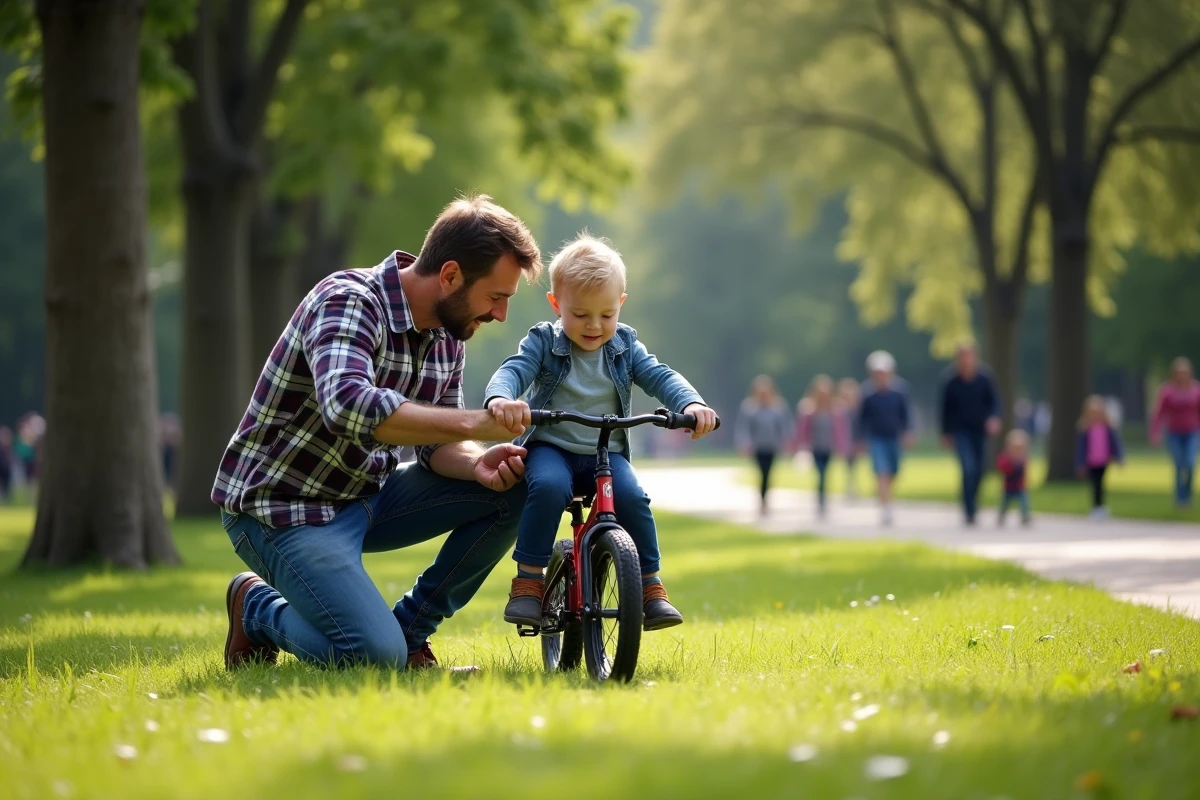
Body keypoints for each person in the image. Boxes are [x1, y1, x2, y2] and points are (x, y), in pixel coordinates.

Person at [213, 194, 542, 672]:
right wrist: (477, 421)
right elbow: (347, 405)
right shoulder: (348, 300)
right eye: (496, 297)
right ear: (450, 276)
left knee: (514, 489)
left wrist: (476, 462)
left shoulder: (449, 335)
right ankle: (257, 609)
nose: (500, 315)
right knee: (369, 656)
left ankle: (410, 634)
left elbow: (438, 442)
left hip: (367, 494)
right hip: (282, 508)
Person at [485, 234, 717, 630]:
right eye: (580, 315)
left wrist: (691, 404)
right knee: (547, 487)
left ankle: (649, 585)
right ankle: (528, 580)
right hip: (552, 448)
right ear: (557, 305)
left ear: (620, 305)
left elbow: (659, 376)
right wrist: (502, 398)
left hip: (605, 454)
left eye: (606, 315)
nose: (594, 326)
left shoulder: (625, 345)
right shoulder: (544, 341)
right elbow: (514, 369)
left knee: (633, 498)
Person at [939, 343, 1002, 526]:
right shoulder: (950, 381)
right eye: (962, 356)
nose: (966, 360)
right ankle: (969, 510)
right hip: (960, 432)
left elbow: (994, 403)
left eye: (969, 356)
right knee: (968, 468)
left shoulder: (985, 379)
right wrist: (945, 433)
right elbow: (945, 410)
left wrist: (994, 419)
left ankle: (972, 500)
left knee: (980, 470)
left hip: (980, 431)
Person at [858, 350, 912, 526]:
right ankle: (886, 506)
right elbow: (863, 418)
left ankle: (885, 495)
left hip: (894, 437)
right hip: (876, 438)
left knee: (893, 471)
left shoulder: (900, 391)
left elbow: (905, 414)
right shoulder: (868, 393)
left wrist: (907, 432)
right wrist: (860, 439)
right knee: (882, 470)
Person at [793, 374, 850, 517]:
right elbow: (802, 431)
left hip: (829, 447)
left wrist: (843, 447)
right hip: (815, 447)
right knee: (821, 473)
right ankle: (821, 499)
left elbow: (841, 432)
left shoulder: (836, 410)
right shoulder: (808, 409)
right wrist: (800, 446)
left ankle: (822, 498)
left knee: (825, 473)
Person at [735, 375, 793, 515]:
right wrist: (744, 443)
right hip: (757, 447)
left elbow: (784, 427)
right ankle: (762, 498)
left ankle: (765, 498)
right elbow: (744, 428)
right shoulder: (749, 408)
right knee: (761, 472)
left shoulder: (778, 407)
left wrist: (787, 441)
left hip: (772, 446)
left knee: (768, 473)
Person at [1150, 357, 1200, 509]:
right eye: (1179, 372)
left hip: (1193, 432)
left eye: (1184, 372)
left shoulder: (1196, 390)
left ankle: (1187, 495)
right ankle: (1180, 499)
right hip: (1174, 433)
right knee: (1179, 464)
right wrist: (1155, 432)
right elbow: (1159, 413)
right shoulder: (1167, 391)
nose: (1181, 375)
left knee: (1190, 463)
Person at [1075, 395, 1124, 520]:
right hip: (1091, 461)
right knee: (1095, 484)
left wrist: (1119, 457)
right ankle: (1096, 507)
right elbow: (1081, 448)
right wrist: (1080, 463)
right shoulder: (1085, 429)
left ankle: (1101, 506)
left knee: (1101, 484)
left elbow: (1114, 444)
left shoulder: (1107, 428)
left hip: (1103, 460)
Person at [996, 429, 1032, 526]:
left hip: (1020, 486)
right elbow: (1001, 467)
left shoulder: (1024, 458)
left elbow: (1025, 471)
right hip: (1008, 486)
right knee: (1004, 504)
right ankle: (1001, 516)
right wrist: (1011, 462)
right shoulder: (1006, 457)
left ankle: (1025, 517)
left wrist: (1026, 481)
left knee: (1024, 502)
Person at [837, 378, 862, 498]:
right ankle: (849, 488)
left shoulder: (858, 409)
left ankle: (853, 488)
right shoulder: (840, 409)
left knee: (854, 465)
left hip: (855, 440)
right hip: (845, 442)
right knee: (848, 466)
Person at [0, 426, 13, 504]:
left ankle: (6, 500)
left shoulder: (8, 446)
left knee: (7, 485)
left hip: (6, 468)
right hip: (1, 467)